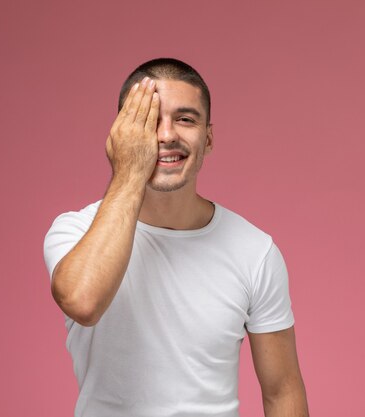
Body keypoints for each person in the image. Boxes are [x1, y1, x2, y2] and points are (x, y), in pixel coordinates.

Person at [43, 58, 309, 417]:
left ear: (208, 138)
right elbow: (83, 302)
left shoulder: (255, 251)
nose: (166, 135)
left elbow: (282, 392)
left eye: (185, 119)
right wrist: (129, 170)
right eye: (148, 121)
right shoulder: (76, 230)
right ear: (123, 134)